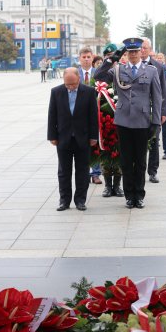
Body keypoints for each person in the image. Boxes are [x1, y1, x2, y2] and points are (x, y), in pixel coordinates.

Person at [94, 37, 162, 209]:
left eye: (135, 52)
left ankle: (139, 195)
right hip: (123, 121)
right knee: (125, 160)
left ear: (141, 52)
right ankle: (129, 196)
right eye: (129, 52)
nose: (132, 55)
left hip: (142, 121)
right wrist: (111, 60)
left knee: (140, 161)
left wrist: (155, 122)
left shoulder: (151, 71)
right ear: (126, 53)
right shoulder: (118, 70)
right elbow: (99, 76)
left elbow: (157, 97)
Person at [47, 68, 98, 211]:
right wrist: (52, 136)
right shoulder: (56, 92)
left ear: (79, 80)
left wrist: (94, 136)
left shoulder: (88, 92)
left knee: (82, 171)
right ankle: (64, 200)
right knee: (64, 171)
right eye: (67, 85)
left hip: (83, 138)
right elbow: (52, 115)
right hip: (63, 138)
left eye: (73, 84)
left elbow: (93, 116)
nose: (70, 87)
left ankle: (80, 200)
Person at [141, 38, 166, 184]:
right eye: (140, 48)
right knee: (140, 142)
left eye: (145, 48)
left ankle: (153, 171)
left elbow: (163, 91)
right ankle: (139, 168)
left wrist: (163, 111)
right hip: (139, 111)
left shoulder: (158, 66)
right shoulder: (132, 66)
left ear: (150, 49)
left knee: (154, 141)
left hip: (154, 110)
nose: (142, 50)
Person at [99, 42, 123, 198]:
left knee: (119, 151)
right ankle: (107, 186)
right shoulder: (102, 71)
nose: (111, 58)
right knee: (105, 152)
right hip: (104, 118)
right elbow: (98, 78)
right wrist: (108, 62)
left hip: (121, 117)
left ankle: (118, 185)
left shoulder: (123, 69)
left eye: (113, 55)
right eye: (108, 56)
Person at [78, 47, 102, 184]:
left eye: (88, 57)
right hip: (79, 115)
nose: (86, 59)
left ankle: (96, 173)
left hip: (95, 113)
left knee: (95, 143)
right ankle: (84, 172)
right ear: (79, 58)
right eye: (84, 57)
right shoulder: (74, 73)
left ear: (92, 58)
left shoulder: (97, 73)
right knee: (81, 144)